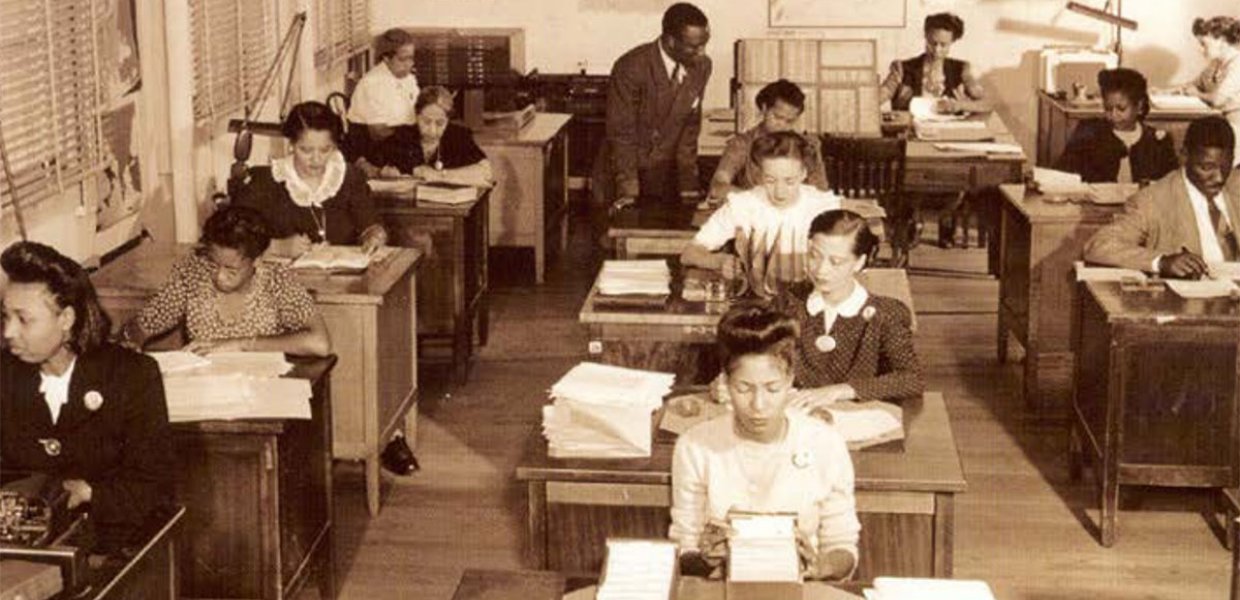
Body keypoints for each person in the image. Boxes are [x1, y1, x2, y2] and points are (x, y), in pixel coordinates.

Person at [1, 241, 174, 553]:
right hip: (21, 546)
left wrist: (90, 492)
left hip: (112, 545)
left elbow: (154, 486)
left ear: (66, 319)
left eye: (24, 319)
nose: (9, 332)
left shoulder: (132, 375)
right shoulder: (5, 375)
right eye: (5, 317)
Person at [670, 303, 860, 581]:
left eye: (772, 388)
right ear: (725, 383)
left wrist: (821, 566)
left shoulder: (824, 443)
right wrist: (705, 559)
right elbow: (684, 547)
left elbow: (843, 545)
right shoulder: (695, 446)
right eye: (743, 388)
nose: (758, 405)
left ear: (790, 381)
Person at [122, 206, 332, 357]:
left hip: (262, 391)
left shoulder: (276, 281)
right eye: (214, 264)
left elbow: (320, 343)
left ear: (257, 260)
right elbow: (142, 327)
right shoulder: (193, 275)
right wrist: (130, 344)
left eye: (231, 270)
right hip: (206, 391)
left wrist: (240, 345)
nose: (219, 276)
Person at [773, 210, 923, 408]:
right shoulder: (788, 302)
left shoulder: (886, 313)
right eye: (814, 256)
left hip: (860, 420)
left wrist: (839, 391)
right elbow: (759, 356)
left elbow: (911, 379)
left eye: (836, 262)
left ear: (859, 262)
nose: (820, 269)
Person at [590, 2, 712, 245]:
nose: (701, 52)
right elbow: (622, 133)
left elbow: (690, 125)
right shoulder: (631, 67)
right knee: (619, 250)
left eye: (704, 44)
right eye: (693, 46)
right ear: (670, 41)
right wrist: (629, 190)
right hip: (624, 169)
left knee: (664, 249)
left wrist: (688, 183)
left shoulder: (701, 66)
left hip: (664, 174)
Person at [1084, 116, 1240, 278]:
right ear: (1184, 156)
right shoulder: (1153, 201)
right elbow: (1099, 245)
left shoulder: (1236, 184)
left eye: (1225, 167)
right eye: (1207, 168)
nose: (1219, 178)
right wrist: (1162, 262)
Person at [233, 101, 387, 258]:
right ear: (292, 144)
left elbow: (370, 223)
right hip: (285, 278)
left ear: (334, 146)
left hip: (345, 277)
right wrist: (275, 247)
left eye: (325, 150)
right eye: (306, 150)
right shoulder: (267, 182)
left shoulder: (348, 177)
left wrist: (374, 235)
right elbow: (228, 238)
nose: (316, 159)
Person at [681, 131, 840, 281]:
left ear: (804, 173)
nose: (779, 192)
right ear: (760, 175)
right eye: (770, 180)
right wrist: (717, 261)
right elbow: (689, 253)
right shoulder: (742, 205)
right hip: (756, 302)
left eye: (789, 181)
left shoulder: (825, 206)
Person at [708, 79, 828, 201]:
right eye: (777, 117)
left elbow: (820, 191)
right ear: (764, 108)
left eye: (790, 121)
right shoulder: (742, 144)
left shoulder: (807, 145)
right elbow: (717, 187)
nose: (782, 125)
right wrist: (760, 200)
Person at [1054, 68, 1179, 184]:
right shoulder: (1089, 133)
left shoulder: (1158, 141)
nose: (1113, 114)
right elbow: (1062, 173)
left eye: (1121, 108)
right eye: (1108, 108)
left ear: (1139, 107)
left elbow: (1170, 185)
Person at [378, 86, 493, 186]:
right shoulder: (402, 136)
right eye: (426, 122)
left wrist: (439, 175)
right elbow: (371, 164)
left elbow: (486, 172)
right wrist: (383, 172)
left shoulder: (459, 136)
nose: (432, 130)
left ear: (448, 120)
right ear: (417, 116)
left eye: (440, 123)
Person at [879, 12, 989, 114]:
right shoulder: (902, 68)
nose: (937, 50)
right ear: (926, 37)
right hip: (911, 131)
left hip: (949, 133)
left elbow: (987, 103)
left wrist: (960, 105)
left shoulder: (961, 69)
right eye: (932, 43)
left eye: (943, 45)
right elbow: (877, 98)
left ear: (952, 42)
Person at [346, 28, 420, 175]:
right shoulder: (373, 83)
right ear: (386, 58)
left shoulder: (408, 78)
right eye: (403, 59)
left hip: (401, 139)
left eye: (411, 58)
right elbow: (378, 133)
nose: (409, 64)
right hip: (375, 148)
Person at [1169, 17, 1240, 164]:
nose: (1201, 50)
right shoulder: (1217, 63)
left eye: (1204, 44)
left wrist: (1195, 93)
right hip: (1224, 126)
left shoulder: (1237, 65)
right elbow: (1195, 84)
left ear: (1220, 41)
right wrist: (1169, 91)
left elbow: (1217, 100)